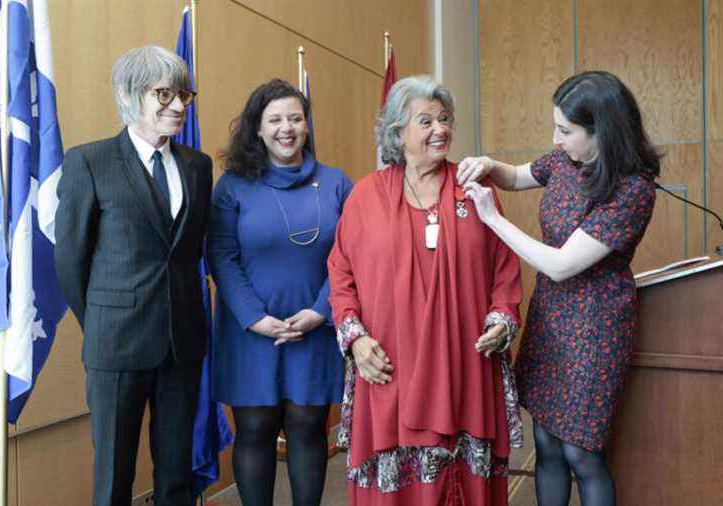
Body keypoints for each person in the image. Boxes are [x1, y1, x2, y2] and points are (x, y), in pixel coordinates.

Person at [458, 70, 660, 506]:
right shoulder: (567, 160)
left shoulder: (633, 190)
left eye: (565, 130)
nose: (556, 139)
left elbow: (561, 264)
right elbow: (515, 175)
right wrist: (491, 165)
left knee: (581, 452)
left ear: (602, 131)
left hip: (596, 328)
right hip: (552, 319)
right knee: (546, 441)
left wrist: (493, 219)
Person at [327, 75, 523, 506]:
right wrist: (356, 341)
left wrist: (501, 320)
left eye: (445, 119)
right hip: (390, 369)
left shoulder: (476, 190)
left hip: (465, 366)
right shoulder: (364, 197)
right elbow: (340, 278)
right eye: (426, 120)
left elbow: (505, 270)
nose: (441, 129)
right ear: (398, 132)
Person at [55, 45, 213, 506]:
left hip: (182, 341)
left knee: (176, 472)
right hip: (115, 343)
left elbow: (191, 251)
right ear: (130, 95)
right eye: (165, 94)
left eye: (184, 93)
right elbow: (70, 260)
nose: (179, 105)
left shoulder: (198, 167)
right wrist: (103, 323)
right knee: (113, 474)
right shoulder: (90, 162)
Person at [207, 78, 351, 506]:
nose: (285, 128)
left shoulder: (337, 183)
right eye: (275, 119)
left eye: (295, 118)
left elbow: (352, 255)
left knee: (309, 426)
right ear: (257, 128)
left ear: (307, 125)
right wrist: (255, 318)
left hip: (316, 327)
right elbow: (221, 256)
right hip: (250, 330)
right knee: (255, 428)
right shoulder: (232, 185)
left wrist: (321, 310)